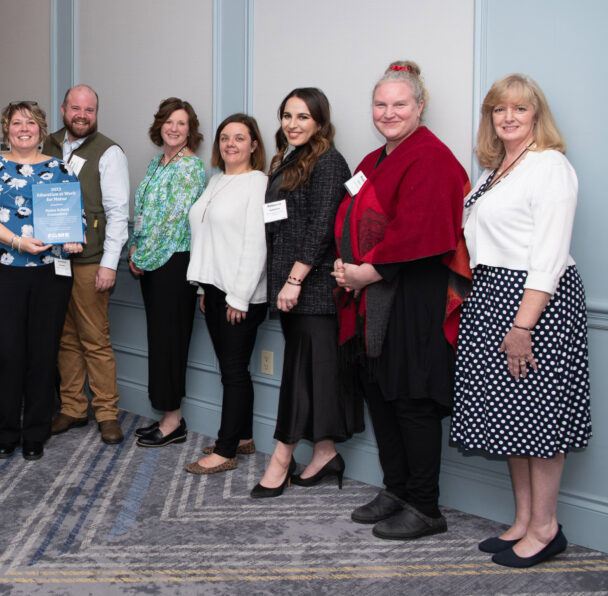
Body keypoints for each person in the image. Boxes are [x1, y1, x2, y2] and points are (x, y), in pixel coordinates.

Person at [450, 74, 589, 568]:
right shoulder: (496, 170)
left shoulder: (549, 166)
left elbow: (548, 257)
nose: (508, 117)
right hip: (490, 296)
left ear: (536, 116)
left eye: (520, 109)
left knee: (538, 414)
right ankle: (525, 520)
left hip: (533, 302)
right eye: (499, 109)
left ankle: (547, 528)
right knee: (512, 415)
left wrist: (523, 324)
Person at [333, 61, 469, 539]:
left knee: (412, 400)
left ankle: (426, 506)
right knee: (381, 395)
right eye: (380, 104)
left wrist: (366, 272)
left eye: (399, 104)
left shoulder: (431, 157)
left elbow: (425, 231)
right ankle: (397, 489)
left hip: (413, 299)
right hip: (369, 300)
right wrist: (344, 267)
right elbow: (351, 217)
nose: (388, 113)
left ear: (419, 106)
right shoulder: (373, 161)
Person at [252, 88, 360, 498]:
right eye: (287, 115)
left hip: (312, 289)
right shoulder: (287, 159)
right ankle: (326, 453)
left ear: (319, 122)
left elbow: (321, 227)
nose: (293, 124)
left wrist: (295, 280)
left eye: (302, 117)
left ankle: (282, 456)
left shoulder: (330, 162)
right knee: (314, 375)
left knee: (298, 377)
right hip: (287, 286)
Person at [0, 101, 83, 461]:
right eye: (16, 122)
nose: (23, 128)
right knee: (5, 352)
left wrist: (71, 238)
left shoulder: (61, 168)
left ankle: (35, 430)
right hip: (5, 270)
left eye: (30, 123)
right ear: (7, 129)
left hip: (51, 273)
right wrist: (18, 241)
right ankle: (8, 429)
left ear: (41, 129)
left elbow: (72, 217)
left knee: (42, 352)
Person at [185, 113, 269, 474]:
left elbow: (257, 244)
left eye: (239, 138)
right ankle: (245, 436)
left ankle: (225, 450)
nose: (230, 144)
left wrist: (238, 296)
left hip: (242, 294)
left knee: (233, 371)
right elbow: (207, 239)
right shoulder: (216, 180)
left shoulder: (258, 184)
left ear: (254, 145)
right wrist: (205, 286)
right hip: (215, 289)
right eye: (225, 138)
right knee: (232, 370)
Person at [45, 84, 130, 445]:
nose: (82, 115)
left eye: (89, 110)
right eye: (76, 108)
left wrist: (110, 264)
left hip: (90, 261)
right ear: (63, 109)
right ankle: (73, 407)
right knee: (65, 338)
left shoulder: (109, 153)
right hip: (50, 259)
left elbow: (118, 213)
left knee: (95, 339)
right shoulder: (45, 144)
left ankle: (107, 412)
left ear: (96, 113)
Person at [128, 97, 206, 448]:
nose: (174, 128)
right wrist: (134, 247)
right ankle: (167, 415)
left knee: (171, 342)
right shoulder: (157, 163)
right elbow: (144, 212)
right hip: (151, 261)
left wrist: (142, 257)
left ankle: (174, 421)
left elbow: (173, 221)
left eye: (182, 123)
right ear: (159, 124)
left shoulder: (190, 168)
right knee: (159, 341)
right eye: (169, 121)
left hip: (174, 264)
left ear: (191, 131)